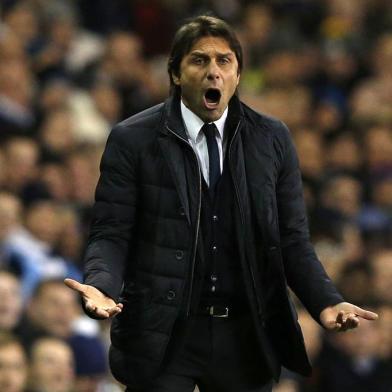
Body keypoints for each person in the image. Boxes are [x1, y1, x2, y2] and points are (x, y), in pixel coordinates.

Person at [65, 15, 378, 392]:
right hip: (163, 333)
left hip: (244, 334)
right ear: (176, 74)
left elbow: (292, 240)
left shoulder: (272, 139)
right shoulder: (133, 139)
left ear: (238, 74)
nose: (213, 71)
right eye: (199, 60)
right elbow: (111, 233)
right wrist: (101, 286)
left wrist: (326, 302)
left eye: (224, 61)